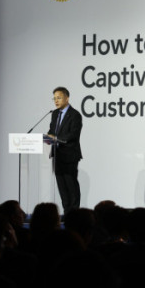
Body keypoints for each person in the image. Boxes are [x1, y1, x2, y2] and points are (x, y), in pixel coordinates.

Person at [46, 86, 83, 215]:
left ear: (67, 98)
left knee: (71, 185)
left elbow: (73, 134)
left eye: (59, 98)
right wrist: (48, 136)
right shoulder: (55, 114)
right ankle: (67, 212)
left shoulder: (75, 115)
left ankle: (75, 214)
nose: (56, 101)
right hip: (57, 155)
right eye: (54, 98)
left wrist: (56, 138)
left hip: (69, 155)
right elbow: (52, 130)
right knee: (61, 186)